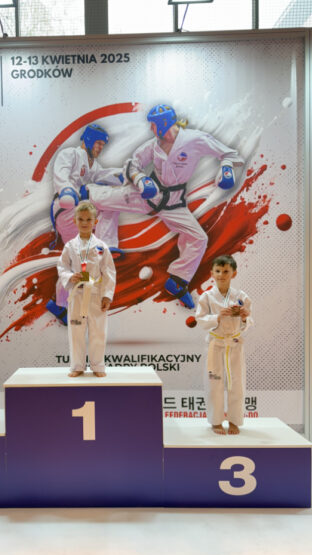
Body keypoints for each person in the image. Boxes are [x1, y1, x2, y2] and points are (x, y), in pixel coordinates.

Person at [84, 104, 243, 309]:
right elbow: (132, 164)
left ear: (164, 123)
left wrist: (226, 168)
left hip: (173, 203)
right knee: (101, 199)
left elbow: (229, 154)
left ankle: (177, 281)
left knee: (199, 238)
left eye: (153, 125)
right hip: (148, 195)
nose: (151, 129)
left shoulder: (194, 139)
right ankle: (83, 192)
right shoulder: (153, 145)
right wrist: (140, 179)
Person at [47, 124, 122, 325]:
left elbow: (104, 175)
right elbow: (61, 173)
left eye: (103, 144)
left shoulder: (94, 166)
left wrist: (125, 175)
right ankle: (105, 246)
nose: (100, 147)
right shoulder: (70, 154)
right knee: (109, 200)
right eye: (98, 143)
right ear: (88, 140)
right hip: (66, 209)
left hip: (81, 212)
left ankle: (58, 304)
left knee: (79, 263)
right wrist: (67, 190)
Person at [57, 201, 116, 377]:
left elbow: (109, 271)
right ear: (74, 221)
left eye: (89, 219)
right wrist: (70, 276)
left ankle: (98, 366)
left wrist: (107, 295)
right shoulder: (70, 246)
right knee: (76, 330)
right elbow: (62, 266)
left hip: (96, 294)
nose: (84, 223)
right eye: (81, 219)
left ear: (95, 222)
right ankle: (77, 366)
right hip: (77, 294)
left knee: (98, 330)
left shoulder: (101, 247)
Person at [195, 255, 252, 435]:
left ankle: (235, 421)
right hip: (216, 344)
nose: (221, 275)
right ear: (212, 273)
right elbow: (200, 319)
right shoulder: (207, 296)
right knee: (215, 383)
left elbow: (249, 321)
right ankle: (216, 421)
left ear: (233, 273)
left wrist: (244, 317)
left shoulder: (241, 296)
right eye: (218, 271)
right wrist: (218, 317)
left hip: (234, 344)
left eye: (226, 271)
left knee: (237, 383)